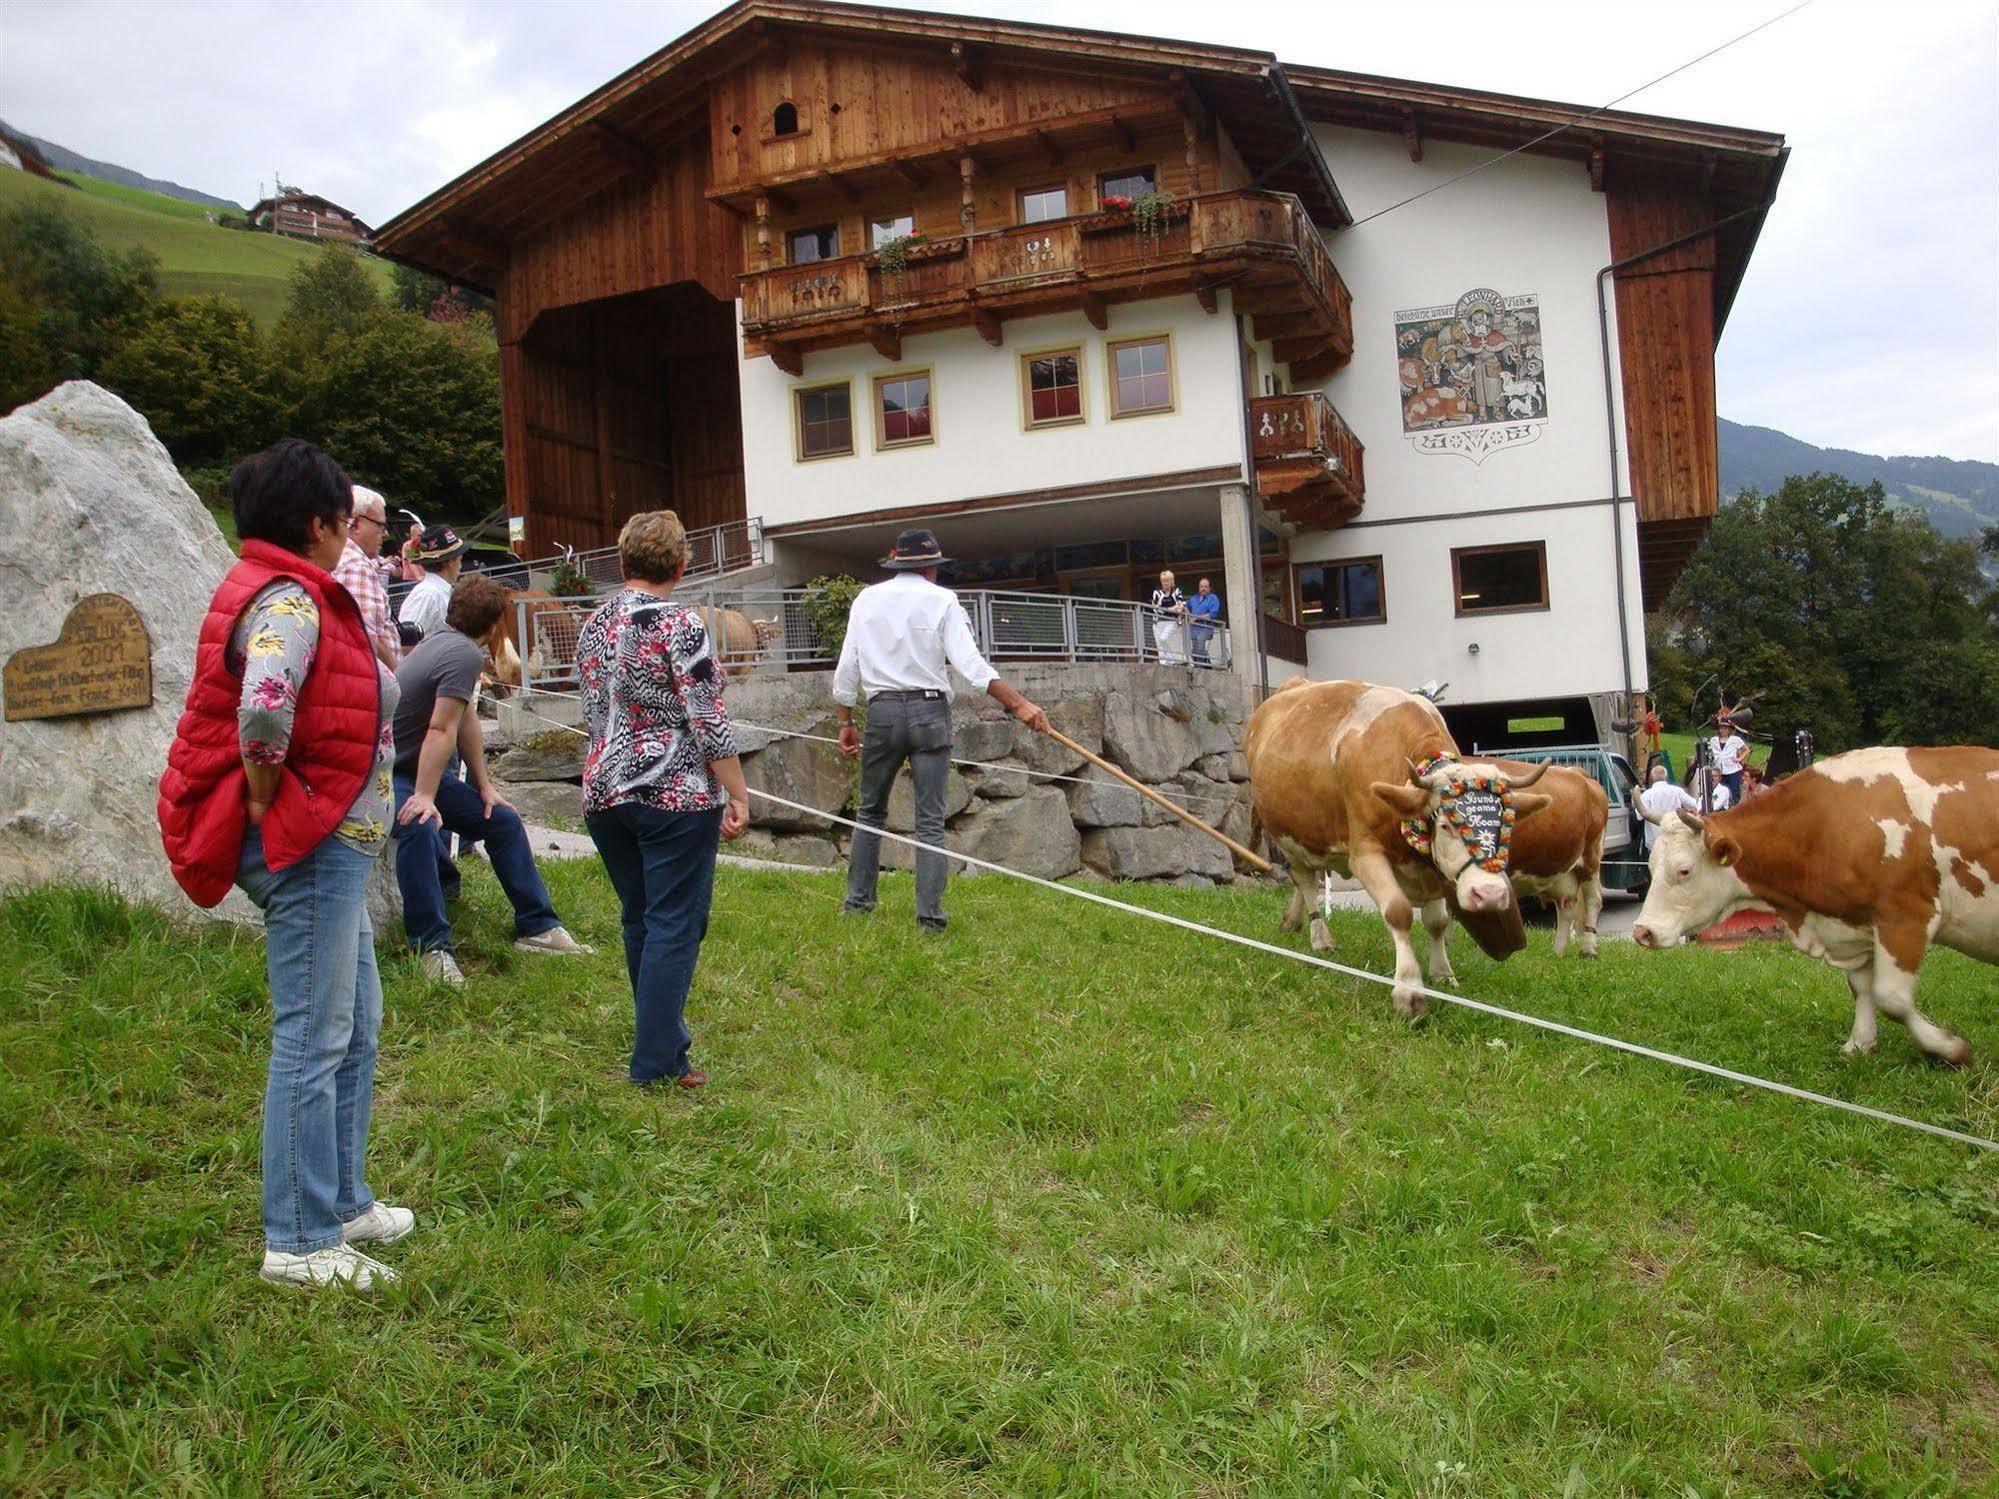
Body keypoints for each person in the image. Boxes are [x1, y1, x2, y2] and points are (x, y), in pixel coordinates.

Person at [157, 439, 411, 1291]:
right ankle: (298, 1239)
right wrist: (268, 793)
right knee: (312, 1033)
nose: (351, 539)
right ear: (317, 524)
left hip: (335, 842)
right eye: (344, 523)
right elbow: (266, 701)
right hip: (311, 843)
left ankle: (340, 1199)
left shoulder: (285, 589)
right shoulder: (292, 602)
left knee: (357, 1021)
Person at [577, 510, 751, 1089]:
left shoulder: (593, 622)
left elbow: (593, 707)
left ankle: (665, 1044)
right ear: (680, 566)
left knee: (642, 919)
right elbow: (707, 716)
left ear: (623, 560)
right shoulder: (682, 624)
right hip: (671, 791)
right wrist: (737, 792)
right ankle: (654, 1065)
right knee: (675, 922)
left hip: (604, 789)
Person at [833, 528, 1049, 932]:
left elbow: (848, 668)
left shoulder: (866, 599)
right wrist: (1019, 704)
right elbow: (971, 666)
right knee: (929, 820)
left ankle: (858, 905)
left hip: (881, 712)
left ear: (898, 563)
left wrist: (845, 721)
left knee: (869, 812)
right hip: (929, 711)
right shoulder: (943, 600)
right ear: (931, 566)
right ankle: (929, 919)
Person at [391, 573, 592, 986]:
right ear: (495, 624)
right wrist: (427, 796)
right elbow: (439, 731)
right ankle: (431, 948)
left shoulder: (443, 641)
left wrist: (485, 787)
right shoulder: (462, 653)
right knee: (419, 824)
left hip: (415, 769)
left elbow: (465, 723)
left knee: (501, 820)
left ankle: (537, 927)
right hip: (389, 772)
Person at [333, 484, 401, 670]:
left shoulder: (338, 558)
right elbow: (368, 638)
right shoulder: (356, 567)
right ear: (355, 524)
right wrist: (400, 677)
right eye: (381, 525)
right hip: (375, 680)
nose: (385, 533)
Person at [397, 524, 466, 641]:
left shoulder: (439, 592)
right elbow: (406, 641)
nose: (461, 566)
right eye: (460, 559)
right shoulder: (427, 595)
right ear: (450, 562)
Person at [1636, 763, 1701, 852]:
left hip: (1655, 842)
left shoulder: (1646, 795)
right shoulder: (1676, 791)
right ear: (1666, 777)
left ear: (1651, 779)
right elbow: (1693, 805)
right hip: (1676, 838)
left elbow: (1639, 816)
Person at [1149, 569, 1189, 665]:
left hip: (1172, 621)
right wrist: (1171, 609)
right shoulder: (1157, 593)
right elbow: (1156, 609)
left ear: (1171, 581)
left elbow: (1180, 606)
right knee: (1159, 644)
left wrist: (1177, 608)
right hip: (1158, 622)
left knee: (1163, 638)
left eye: (1167, 581)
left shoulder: (1177, 592)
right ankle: (1164, 663)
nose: (1165, 583)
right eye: (1163, 581)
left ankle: (1171, 659)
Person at [1706, 717, 1749, 808]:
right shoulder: (1714, 740)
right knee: (1719, 791)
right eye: (1721, 728)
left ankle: (1734, 809)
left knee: (1733, 793)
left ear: (1729, 730)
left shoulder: (1735, 740)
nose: (1723, 730)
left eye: (1725, 728)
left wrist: (1739, 758)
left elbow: (1747, 750)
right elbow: (1709, 751)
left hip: (1732, 770)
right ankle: (1720, 808)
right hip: (1719, 770)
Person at [1186, 576, 1222, 667]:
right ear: (1199, 588)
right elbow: (1186, 605)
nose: (1203, 589)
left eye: (1205, 587)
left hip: (1206, 628)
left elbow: (1212, 615)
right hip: (1193, 628)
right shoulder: (1194, 598)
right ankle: (1206, 665)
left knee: (1200, 641)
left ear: (1209, 588)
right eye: (1201, 586)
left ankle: (1200, 668)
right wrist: (1189, 614)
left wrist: (1196, 618)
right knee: (1194, 649)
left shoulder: (1213, 598)